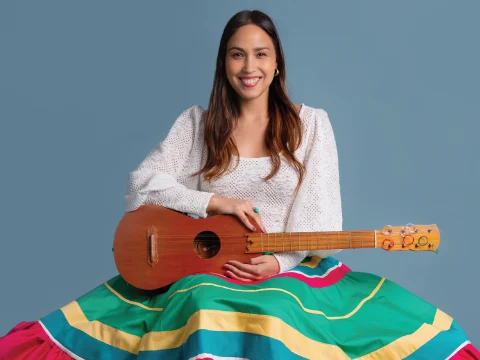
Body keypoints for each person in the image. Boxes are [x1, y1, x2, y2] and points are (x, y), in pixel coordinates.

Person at [0, 9, 478, 360]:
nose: (249, 66)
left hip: (287, 272)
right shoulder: (196, 124)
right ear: (224, 65)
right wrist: (214, 202)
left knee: (275, 314)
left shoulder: (311, 125)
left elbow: (321, 216)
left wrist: (277, 260)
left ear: (276, 64)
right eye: (237, 55)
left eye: (260, 54)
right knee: (202, 305)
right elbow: (140, 187)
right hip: (205, 272)